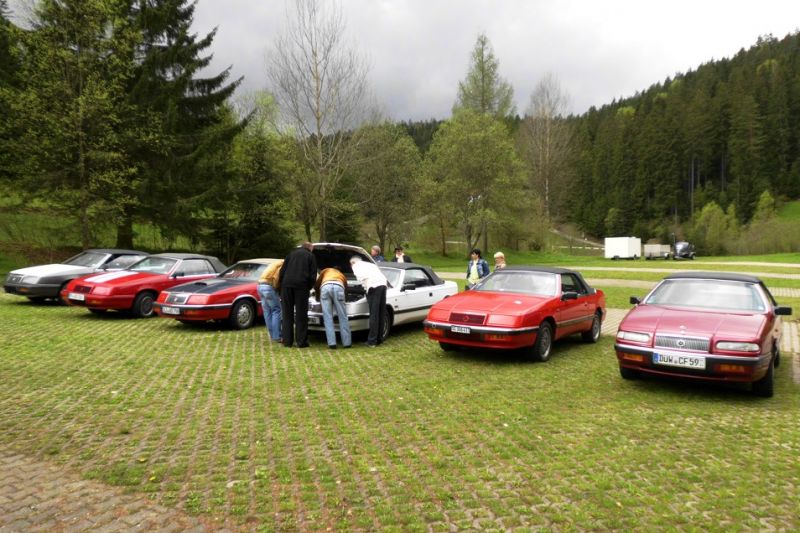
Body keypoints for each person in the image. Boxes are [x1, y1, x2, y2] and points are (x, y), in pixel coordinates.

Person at [278, 242, 317, 348]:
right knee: (301, 315)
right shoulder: (310, 256)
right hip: (301, 287)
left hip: (286, 286)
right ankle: (301, 342)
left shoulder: (291, 254)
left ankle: (287, 341)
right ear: (310, 248)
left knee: (287, 314)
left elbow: (282, 272)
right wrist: (308, 287)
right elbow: (313, 275)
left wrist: (282, 286)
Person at [350, 256, 388, 347]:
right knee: (381, 313)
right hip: (383, 284)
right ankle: (379, 339)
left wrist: (363, 289)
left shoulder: (356, 266)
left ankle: (372, 341)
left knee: (374, 314)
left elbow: (361, 279)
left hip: (374, 286)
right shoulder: (370, 264)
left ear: (352, 263)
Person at [313, 267, 352, 349]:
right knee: (343, 317)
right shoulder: (341, 275)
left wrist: (317, 297)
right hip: (339, 287)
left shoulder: (325, 271)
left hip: (325, 287)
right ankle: (347, 343)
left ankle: (332, 343)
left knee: (328, 317)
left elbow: (317, 285)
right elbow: (345, 290)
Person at [257, 259, 284, 342]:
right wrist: (279, 290)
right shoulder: (282, 265)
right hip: (268, 287)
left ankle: (272, 335)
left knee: (267, 311)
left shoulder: (274, 263)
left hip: (260, 286)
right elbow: (276, 278)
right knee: (276, 310)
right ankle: (277, 336)